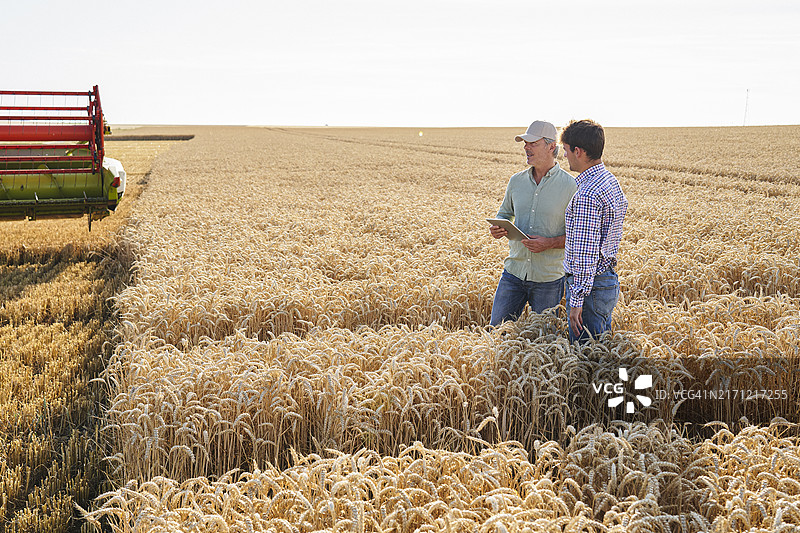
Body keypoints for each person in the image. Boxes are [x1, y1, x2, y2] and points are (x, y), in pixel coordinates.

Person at [489, 120, 577, 326]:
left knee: (543, 341)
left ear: (551, 146)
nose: (526, 147)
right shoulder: (516, 181)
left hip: (548, 279)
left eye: (532, 143)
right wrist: (498, 227)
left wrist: (549, 243)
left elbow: (578, 236)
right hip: (513, 273)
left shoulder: (571, 186)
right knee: (496, 332)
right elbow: (504, 214)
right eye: (525, 143)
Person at [560, 119, 628, 342]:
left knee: (585, 358)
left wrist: (576, 301)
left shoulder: (587, 195)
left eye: (567, 151)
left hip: (590, 289)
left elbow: (585, 253)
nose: (565, 157)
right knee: (601, 351)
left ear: (578, 151)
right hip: (606, 280)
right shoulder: (609, 180)